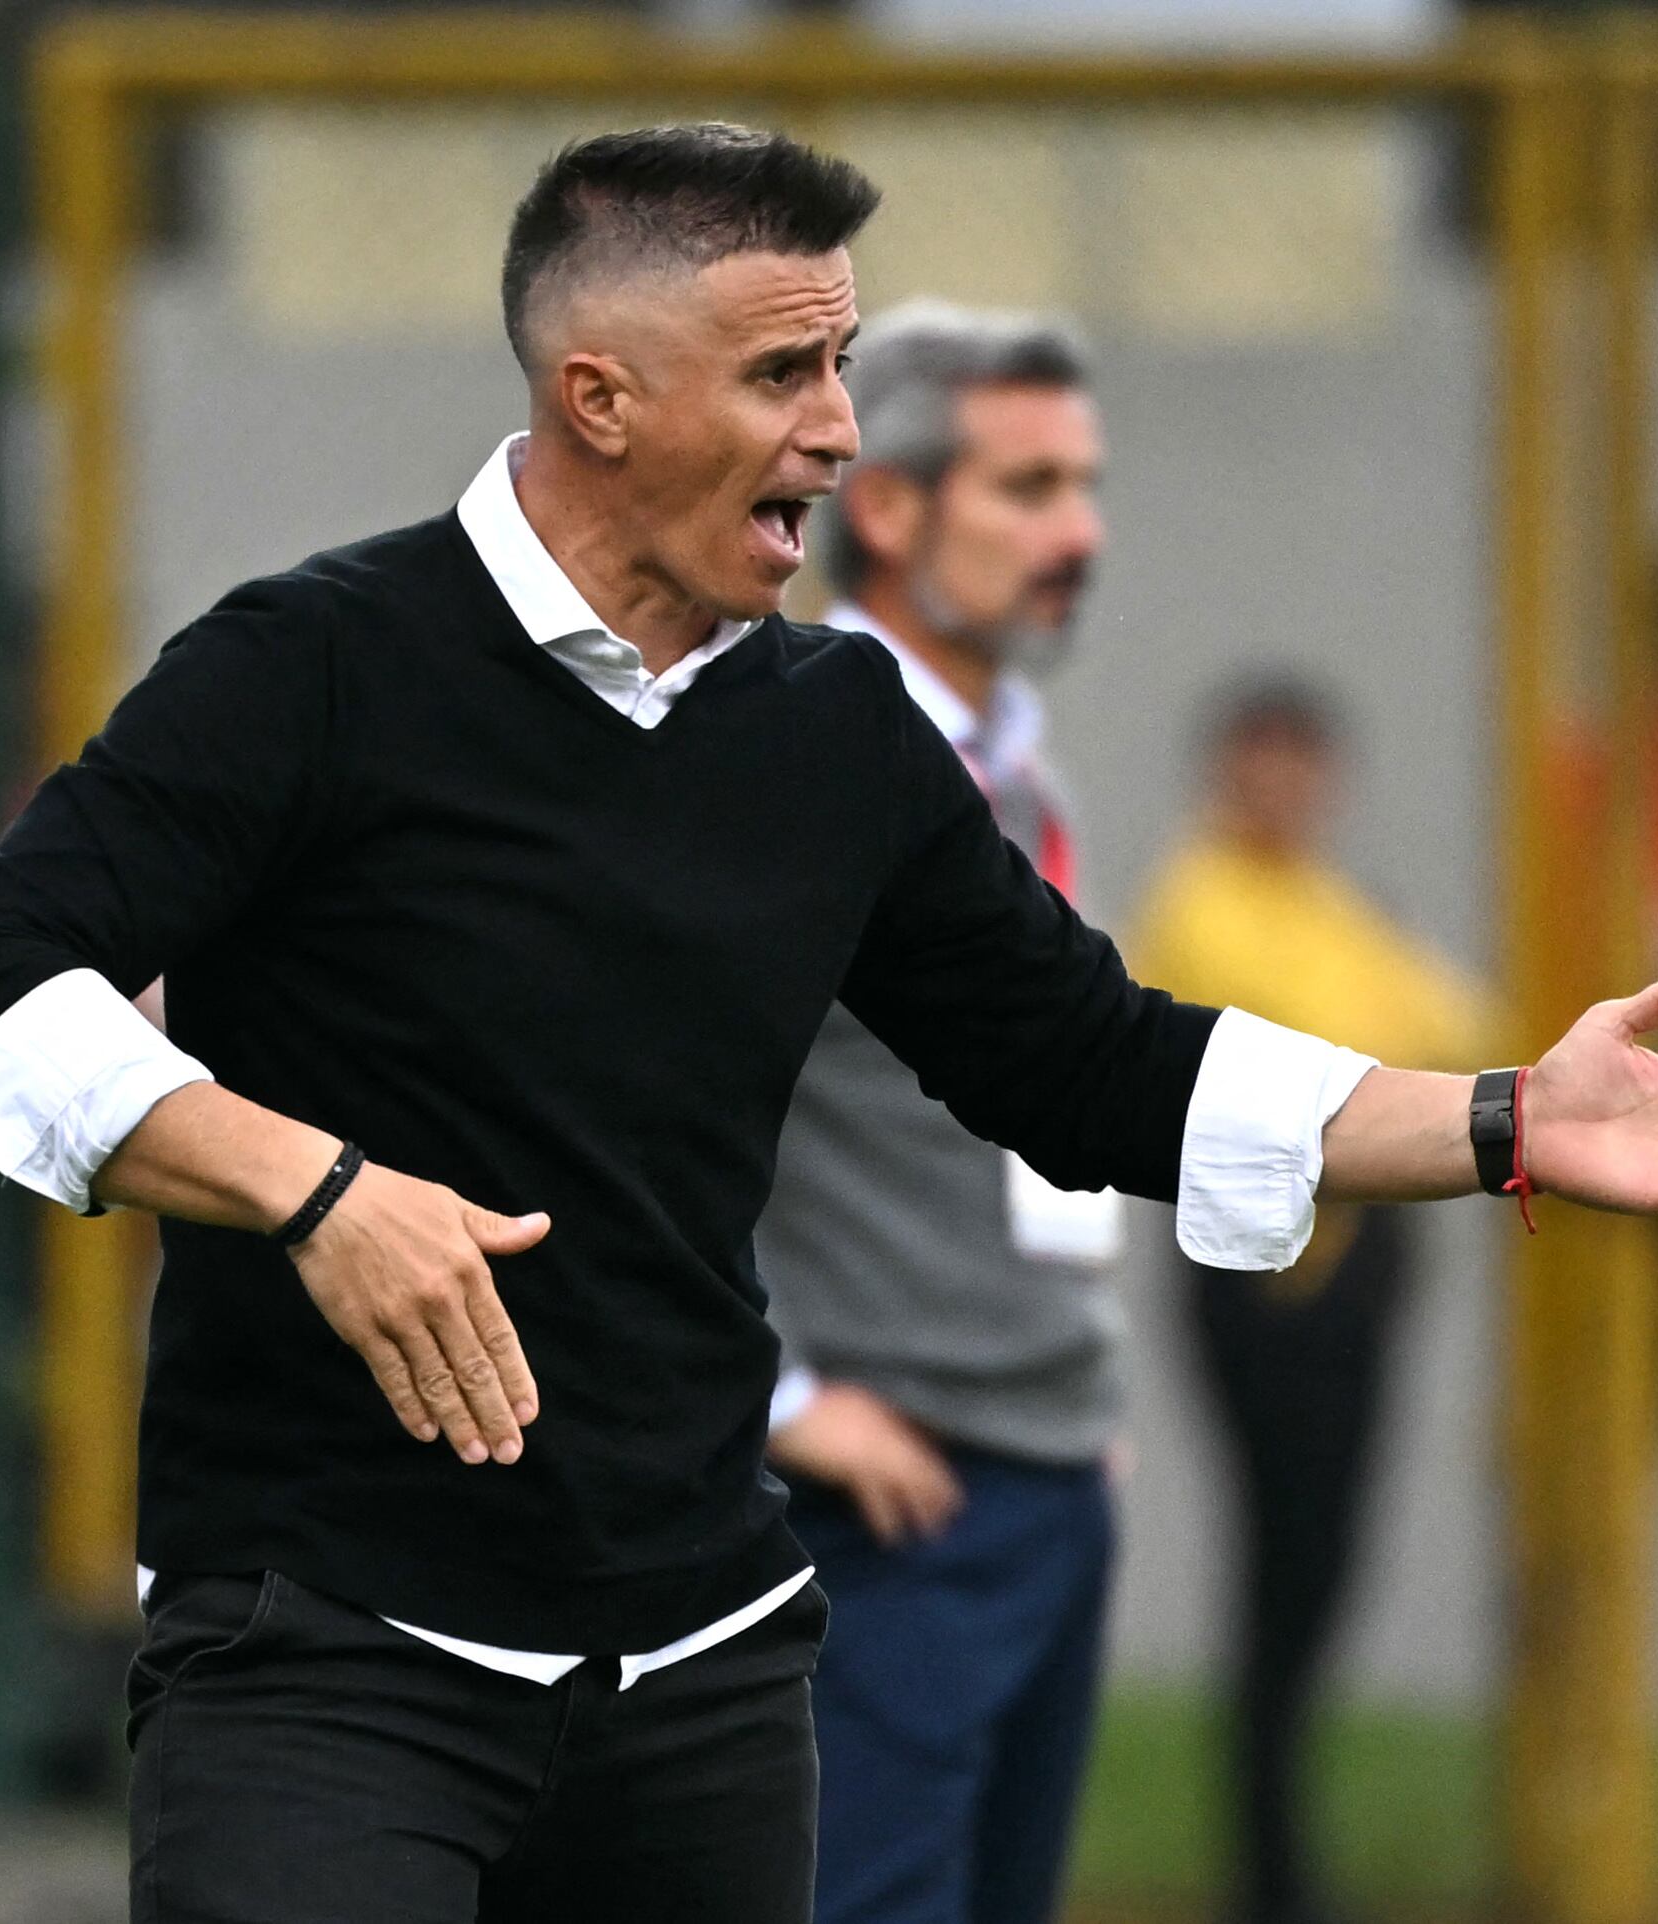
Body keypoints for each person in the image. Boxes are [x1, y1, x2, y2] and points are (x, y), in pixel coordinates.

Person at [0, 123, 1658, 1924]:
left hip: (701, 1667)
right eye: (782, 374)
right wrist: (314, 1188)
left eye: (840, 364)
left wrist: (1506, 1116)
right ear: (600, 396)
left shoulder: (837, 729)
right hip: (324, 1657)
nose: (839, 433)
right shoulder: (311, 662)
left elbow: (1092, 1060)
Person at [745, 300, 1119, 1924]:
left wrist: (1078, 1390)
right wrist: (776, 1394)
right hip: (886, 1494)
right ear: (886, 507)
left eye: (1084, 486)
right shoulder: (792, 761)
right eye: (1026, 488)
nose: (1078, 533)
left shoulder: (1009, 767)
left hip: (1041, 1460)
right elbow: (620, 1104)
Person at [1130, 680, 1502, 1924]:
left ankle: (1281, 1863)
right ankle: (1272, 1872)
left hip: (1365, 1268)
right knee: (1286, 1561)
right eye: (1261, 759)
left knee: (1325, 1561)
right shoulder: (1198, 900)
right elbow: (1273, 1060)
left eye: (1303, 761)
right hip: (1263, 1269)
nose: (1283, 785)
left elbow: (1463, 1032)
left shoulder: (1347, 910)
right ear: (1222, 774)